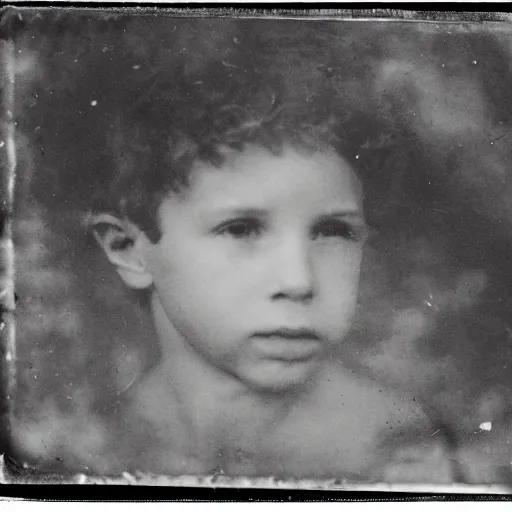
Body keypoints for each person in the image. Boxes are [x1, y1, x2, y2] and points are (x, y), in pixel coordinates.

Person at [80, 52, 454, 483]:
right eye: (241, 229)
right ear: (128, 247)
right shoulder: (88, 446)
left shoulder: (396, 450)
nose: (298, 281)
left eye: (332, 230)